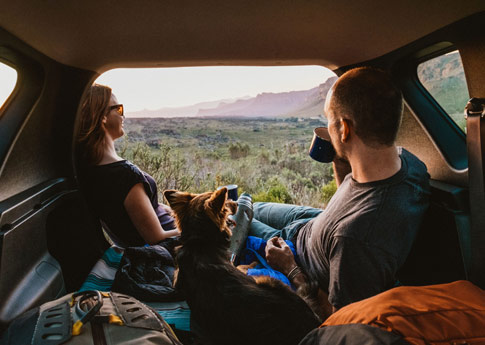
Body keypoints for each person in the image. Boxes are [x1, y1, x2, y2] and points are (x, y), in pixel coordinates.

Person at [249, 67, 430, 320]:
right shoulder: (410, 166)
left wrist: (289, 269)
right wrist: (340, 155)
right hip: (313, 224)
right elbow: (350, 201)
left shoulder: (357, 240)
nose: (327, 127)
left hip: (296, 253)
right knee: (252, 207)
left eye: (329, 119)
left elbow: (338, 320)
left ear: (344, 128)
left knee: (240, 214)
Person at [76, 84, 179, 248]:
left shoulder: (92, 170)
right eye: (119, 109)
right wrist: (197, 228)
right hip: (176, 248)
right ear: (102, 116)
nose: (123, 116)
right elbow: (156, 238)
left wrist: (163, 208)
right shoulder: (124, 175)